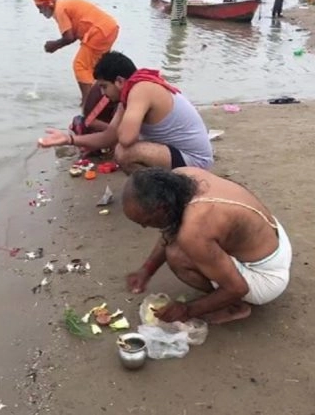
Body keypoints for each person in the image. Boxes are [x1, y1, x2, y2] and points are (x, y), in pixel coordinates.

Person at [123, 167, 293, 324]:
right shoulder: (183, 176)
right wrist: (147, 269)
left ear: (161, 208)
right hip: (274, 238)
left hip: (267, 277)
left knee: (177, 255)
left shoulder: (195, 228)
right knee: (185, 240)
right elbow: (171, 227)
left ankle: (235, 307)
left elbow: (237, 288)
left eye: (146, 222)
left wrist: (187, 310)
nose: (145, 227)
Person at [37, 51, 214, 174]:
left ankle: (166, 195)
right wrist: (70, 139)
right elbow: (108, 136)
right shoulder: (132, 91)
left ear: (120, 81)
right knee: (122, 148)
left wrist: (121, 121)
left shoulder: (141, 89)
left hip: (195, 161)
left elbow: (125, 139)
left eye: (104, 87)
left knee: (124, 152)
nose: (104, 94)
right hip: (180, 154)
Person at [34, 0, 120, 106]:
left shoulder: (59, 9)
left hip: (99, 31)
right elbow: (73, 35)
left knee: (80, 65)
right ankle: (103, 99)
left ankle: (87, 103)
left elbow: (68, 37)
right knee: (96, 68)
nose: (40, 12)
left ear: (48, 4)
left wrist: (54, 45)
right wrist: (56, 45)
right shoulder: (63, 5)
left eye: (40, 8)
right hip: (109, 28)